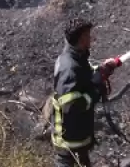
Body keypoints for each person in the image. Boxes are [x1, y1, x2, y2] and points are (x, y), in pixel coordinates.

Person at [51, 18, 121, 167]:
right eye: (89, 36)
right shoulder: (69, 67)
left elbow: (83, 77)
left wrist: (102, 70)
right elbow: (72, 105)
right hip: (68, 142)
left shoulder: (77, 58)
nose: (91, 39)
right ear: (82, 38)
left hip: (77, 137)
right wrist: (95, 91)